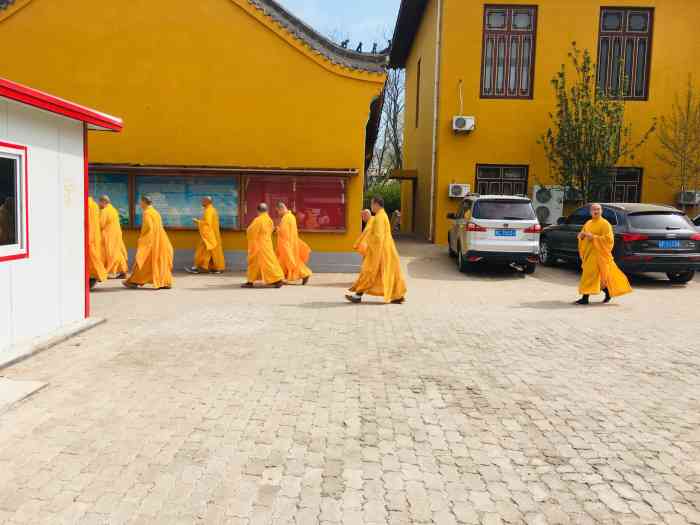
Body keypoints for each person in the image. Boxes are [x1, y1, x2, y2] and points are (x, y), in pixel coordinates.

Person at [346, 197, 407, 304]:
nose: (371, 206)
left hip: (380, 251)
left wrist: (371, 251)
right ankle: (398, 296)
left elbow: (378, 238)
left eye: (372, 204)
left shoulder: (379, 217)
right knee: (390, 274)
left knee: (368, 272)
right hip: (388, 250)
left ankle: (357, 296)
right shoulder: (382, 216)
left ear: (376, 204)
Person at [575, 203, 632, 305]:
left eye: (598, 209)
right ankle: (608, 292)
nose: (596, 211)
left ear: (601, 211)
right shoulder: (588, 223)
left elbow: (609, 240)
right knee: (598, 277)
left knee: (589, 275)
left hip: (599, 254)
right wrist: (581, 236)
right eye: (594, 210)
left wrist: (594, 237)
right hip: (589, 253)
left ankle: (585, 298)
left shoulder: (605, 224)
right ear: (590, 212)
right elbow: (581, 236)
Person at [123, 195, 173, 290]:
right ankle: (165, 282)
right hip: (161, 240)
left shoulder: (147, 213)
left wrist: (142, 238)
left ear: (144, 202)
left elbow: (148, 227)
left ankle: (134, 281)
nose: (140, 204)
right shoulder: (155, 212)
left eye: (141, 202)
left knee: (142, 260)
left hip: (151, 241)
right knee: (159, 261)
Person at [241, 203, 284, 288]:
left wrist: (249, 233)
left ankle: (251, 282)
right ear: (266, 210)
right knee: (270, 262)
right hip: (267, 244)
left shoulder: (258, 220)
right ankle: (277, 279)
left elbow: (251, 232)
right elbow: (271, 230)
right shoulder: (269, 220)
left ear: (258, 211)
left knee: (254, 264)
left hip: (259, 246)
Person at [186, 196, 226, 274]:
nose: (201, 202)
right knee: (212, 253)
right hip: (212, 235)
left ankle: (198, 267)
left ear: (208, 202)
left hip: (209, 236)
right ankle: (215, 268)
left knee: (201, 252)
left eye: (203, 201)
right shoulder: (211, 209)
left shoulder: (209, 210)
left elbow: (208, 223)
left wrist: (197, 221)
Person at [275, 201, 312, 285]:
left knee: (291, 263)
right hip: (291, 243)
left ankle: (304, 274)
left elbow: (284, 232)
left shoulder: (286, 218)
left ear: (281, 209)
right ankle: (280, 278)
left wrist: (277, 229)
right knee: (284, 262)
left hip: (286, 244)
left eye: (278, 211)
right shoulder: (291, 217)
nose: (278, 213)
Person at [98, 195, 128, 278]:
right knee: (117, 252)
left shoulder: (105, 210)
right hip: (116, 234)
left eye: (99, 202)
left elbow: (101, 224)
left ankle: (102, 271)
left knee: (105, 252)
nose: (98, 204)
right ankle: (123, 271)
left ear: (103, 202)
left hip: (108, 235)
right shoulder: (113, 209)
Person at [88, 197, 107, 288]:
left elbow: (102, 223)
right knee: (94, 257)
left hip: (90, 236)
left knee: (92, 258)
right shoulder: (94, 206)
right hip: (95, 236)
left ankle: (99, 274)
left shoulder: (87, 205)